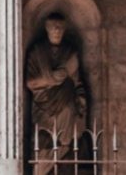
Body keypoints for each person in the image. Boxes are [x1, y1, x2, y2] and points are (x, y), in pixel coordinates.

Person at [25, 13, 88, 174]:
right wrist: (51, 79)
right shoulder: (37, 52)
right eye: (54, 27)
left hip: (66, 104)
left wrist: (81, 98)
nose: (57, 31)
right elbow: (30, 83)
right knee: (43, 142)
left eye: (60, 28)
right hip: (43, 106)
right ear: (47, 29)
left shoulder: (70, 53)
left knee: (67, 144)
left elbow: (77, 81)